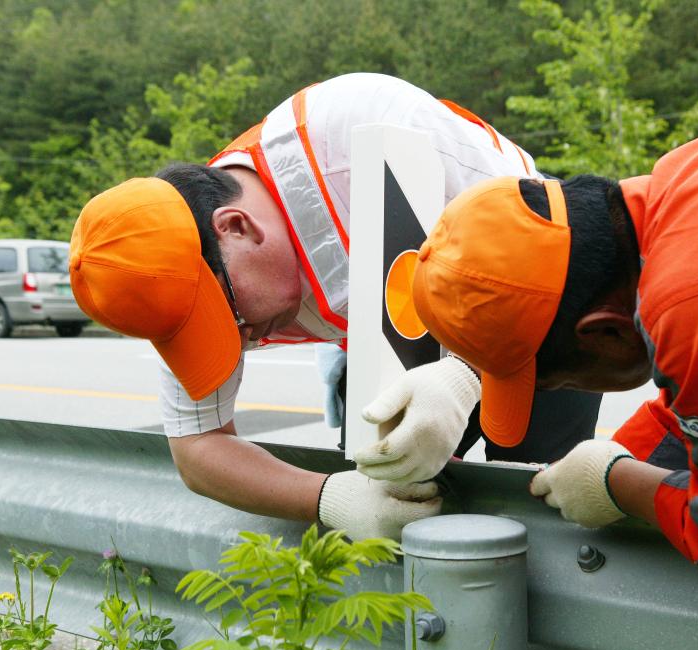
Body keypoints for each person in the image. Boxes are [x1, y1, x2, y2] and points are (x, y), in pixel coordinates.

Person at [69, 73, 601, 540]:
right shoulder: (170, 265)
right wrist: (329, 498)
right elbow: (198, 450)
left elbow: (552, 267)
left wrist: (464, 376)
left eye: (227, 315)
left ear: (236, 227)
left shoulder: (372, 135)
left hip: (534, 297)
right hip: (387, 335)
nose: (243, 337)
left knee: (537, 494)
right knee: (395, 492)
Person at [411, 105, 698, 594]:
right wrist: (615, 454)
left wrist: (621, 485)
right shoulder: (691, 177)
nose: (563, 389)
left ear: (605, 333)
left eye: (560, 381)